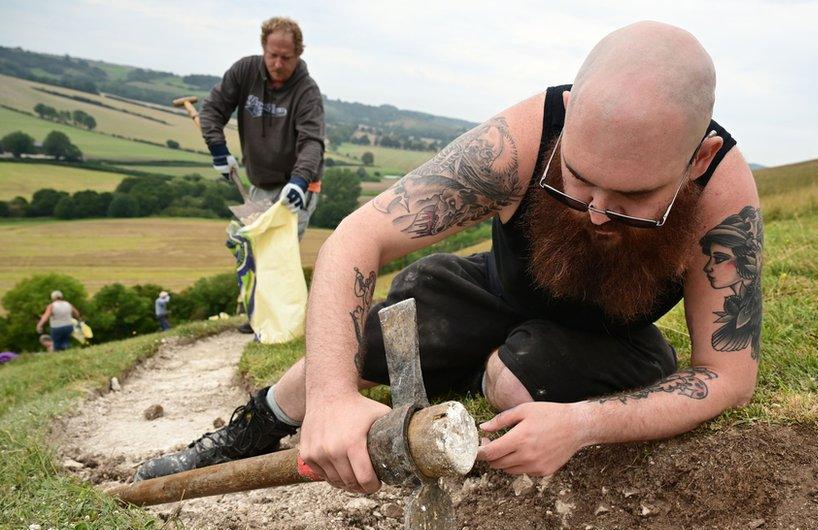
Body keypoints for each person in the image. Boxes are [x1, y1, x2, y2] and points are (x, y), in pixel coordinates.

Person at [135, 22, 764, 492]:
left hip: (608, 341)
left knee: (518, 379)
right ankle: (247, 428)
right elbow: (358, 236)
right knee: (368, 342)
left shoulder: (722, 198)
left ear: (696, 161)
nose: (596, 210)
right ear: (568, 119)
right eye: (577, 179)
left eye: (631, 196)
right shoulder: (522, 140)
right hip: (492, 290)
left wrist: (581, 425)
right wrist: (330, 395)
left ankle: (484, 373)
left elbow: (728, 376)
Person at [200, 16, 326, 334]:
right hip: (260, 184)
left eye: (286, 57)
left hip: (299, 185)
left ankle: (279, 324)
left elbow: (312, 142)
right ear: (263, 48)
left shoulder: (307, 92)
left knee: (277, 251)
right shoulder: (245, 72)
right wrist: (217, 149)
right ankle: (258, 316)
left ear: (298, 54)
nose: (278, 63)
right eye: (272, 55)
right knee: (247, 245)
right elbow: (213, 109)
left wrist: (298, 183)